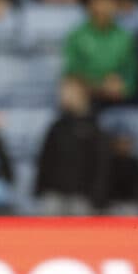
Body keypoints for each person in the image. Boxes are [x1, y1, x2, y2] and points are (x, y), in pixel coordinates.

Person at [35, 76, 110, 215]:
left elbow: (101, 165)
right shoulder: (57, 127)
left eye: (68, 91)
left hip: (82, 197)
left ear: (81, 94)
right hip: (54, 194)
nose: (63, 96)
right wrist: (40, 189)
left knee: (80, 232)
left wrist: (97, 196)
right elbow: (45, 159)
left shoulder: (95, 128)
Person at [63, 0, 138, 106]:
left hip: (114, 86)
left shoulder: (124, 36)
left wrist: (121, 83)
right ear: (90, 5)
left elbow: (131, 71)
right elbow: (72, 69)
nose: (104, 7)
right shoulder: (77, 35)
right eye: (100, 2)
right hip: (87, 85)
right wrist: (96, 83)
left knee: (118, 86)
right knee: (70, 91)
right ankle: (78, 124)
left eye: (109, 2)